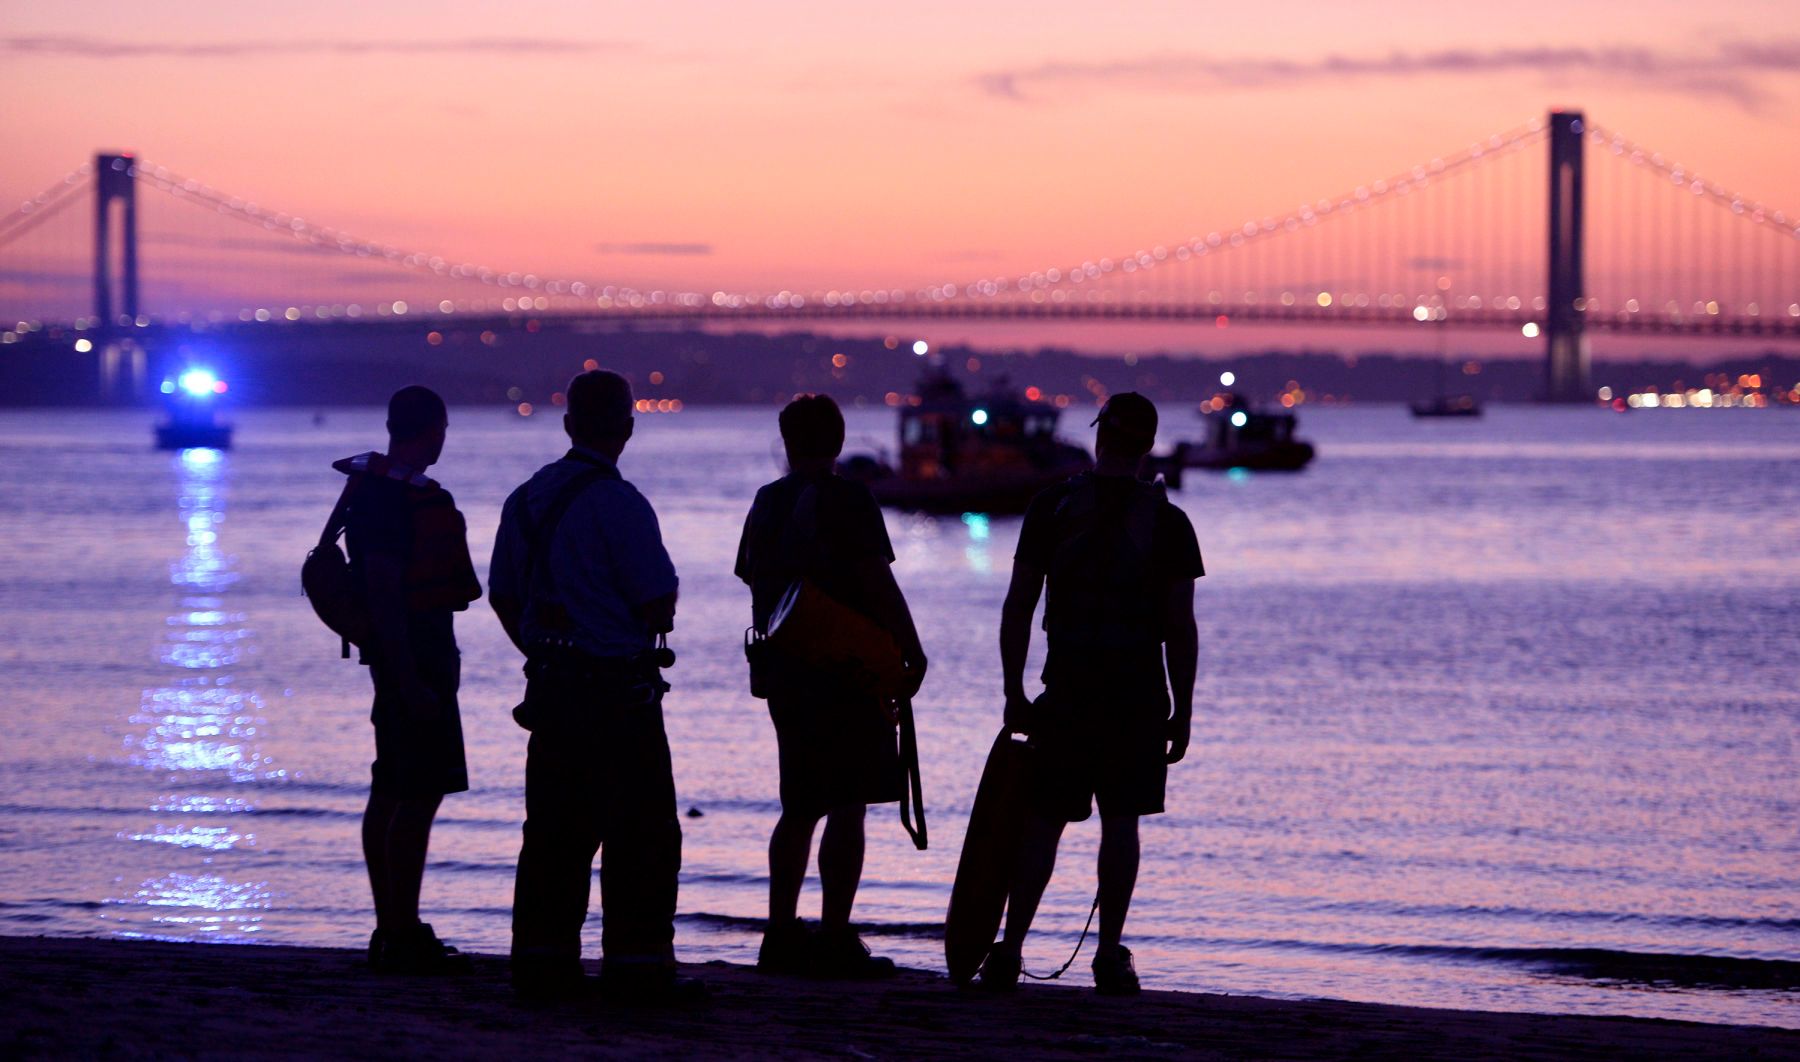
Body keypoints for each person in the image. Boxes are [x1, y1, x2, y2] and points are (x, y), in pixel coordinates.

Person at [489, 369, 700, 1003]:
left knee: (554, 833)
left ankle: (542, 963)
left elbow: (503, 595)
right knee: (642, 834)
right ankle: (638, 969)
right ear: (627, 428)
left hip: (551, 688)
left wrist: (538, 647)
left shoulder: (525, 498)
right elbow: (657, 599)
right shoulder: (621, 502)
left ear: (568, 425)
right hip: (617, 691)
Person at [986, 392, 1202, 995]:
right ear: (1148, 445)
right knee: (1121, 825)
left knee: (1043, 822)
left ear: (1100, 436)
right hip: (1136, 695)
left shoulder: (1052, 505)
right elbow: (1180, 627)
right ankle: (1108, 955)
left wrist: (1012, 690)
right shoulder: (1169, 522)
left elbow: (1018, 607)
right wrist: (1183, 709)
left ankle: (1009, 949)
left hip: (1067, 689)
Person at [734, 394, 927, 978]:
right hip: (847, 671)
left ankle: (779, 935)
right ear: (839, 441)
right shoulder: (850, 498)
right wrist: (911, 648)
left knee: (798, 806)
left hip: (786, 670)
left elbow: (755, 583)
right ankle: (836, 937)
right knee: (848, 804)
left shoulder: (766, 501)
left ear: (787, 441)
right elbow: (878, 581)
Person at [337, 385, 482, 974]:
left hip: (401, 658)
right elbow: (383, 587)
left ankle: (392, 927)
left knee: (393, 788)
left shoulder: (378, 490)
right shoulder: (393, 499)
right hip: (414, 659)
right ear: (435, 430)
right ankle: (400, 931)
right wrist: (409, 677)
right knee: (417, 794)